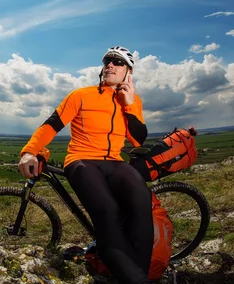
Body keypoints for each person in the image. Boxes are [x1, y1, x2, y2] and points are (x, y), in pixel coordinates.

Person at [19, 46, 172, 284]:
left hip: (113, 161)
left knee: (141, 201)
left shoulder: (133, 100)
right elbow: (51, 125)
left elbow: (137, 138)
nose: (110, 64)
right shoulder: (81, 95)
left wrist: (129, 103)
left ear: (128, 72)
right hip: (81, 160)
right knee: (108, 213)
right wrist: (29, 152)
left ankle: (139, 276)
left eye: (118, 62)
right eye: (107, 60)